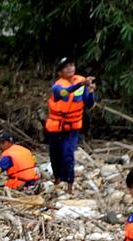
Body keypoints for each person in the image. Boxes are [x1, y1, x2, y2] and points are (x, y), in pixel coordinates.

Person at [44, 58, 96, 193]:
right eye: (66, 67)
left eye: (72, 65)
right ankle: (57, 178)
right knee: (55, 154)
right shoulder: (57, 87)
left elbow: (89, 104)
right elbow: (65, 93)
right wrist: (82, 84)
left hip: (73, 127)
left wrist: (91, 92)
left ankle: (69, 185)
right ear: (60, 72)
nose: (70, 68)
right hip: (56, 127)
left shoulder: (82, 81)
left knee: (68, 154)